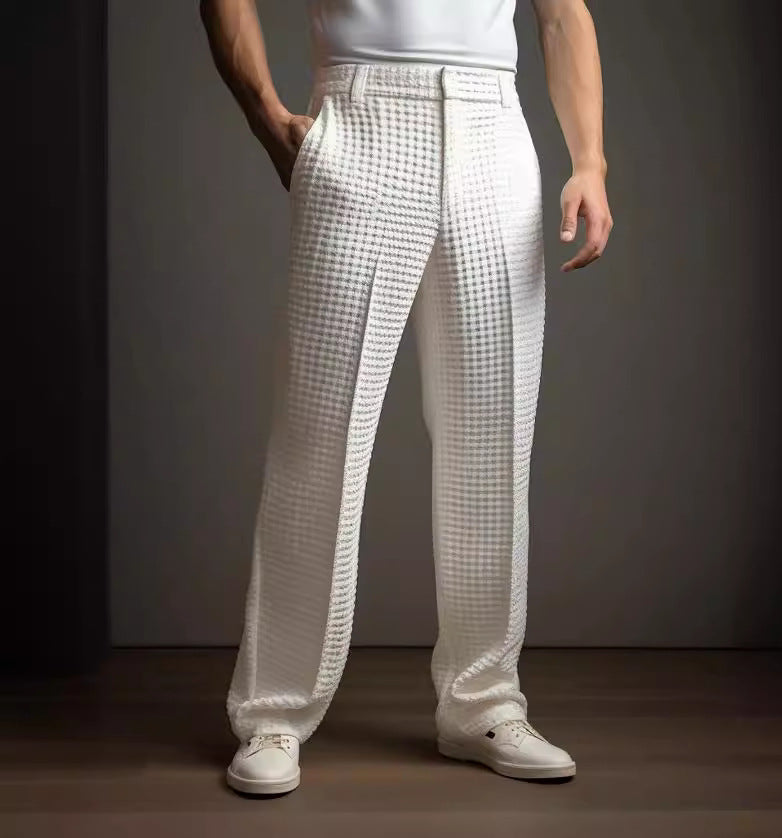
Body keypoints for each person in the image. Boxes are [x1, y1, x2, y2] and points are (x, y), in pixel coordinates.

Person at [199, 0, 613, 795]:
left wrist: (590, 160)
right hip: (362, 120)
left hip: (494, 130)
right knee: (318, 440)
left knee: (492, 443)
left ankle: (484, 703)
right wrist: (265, 113)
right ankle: (274, 712)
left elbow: (562, 13)